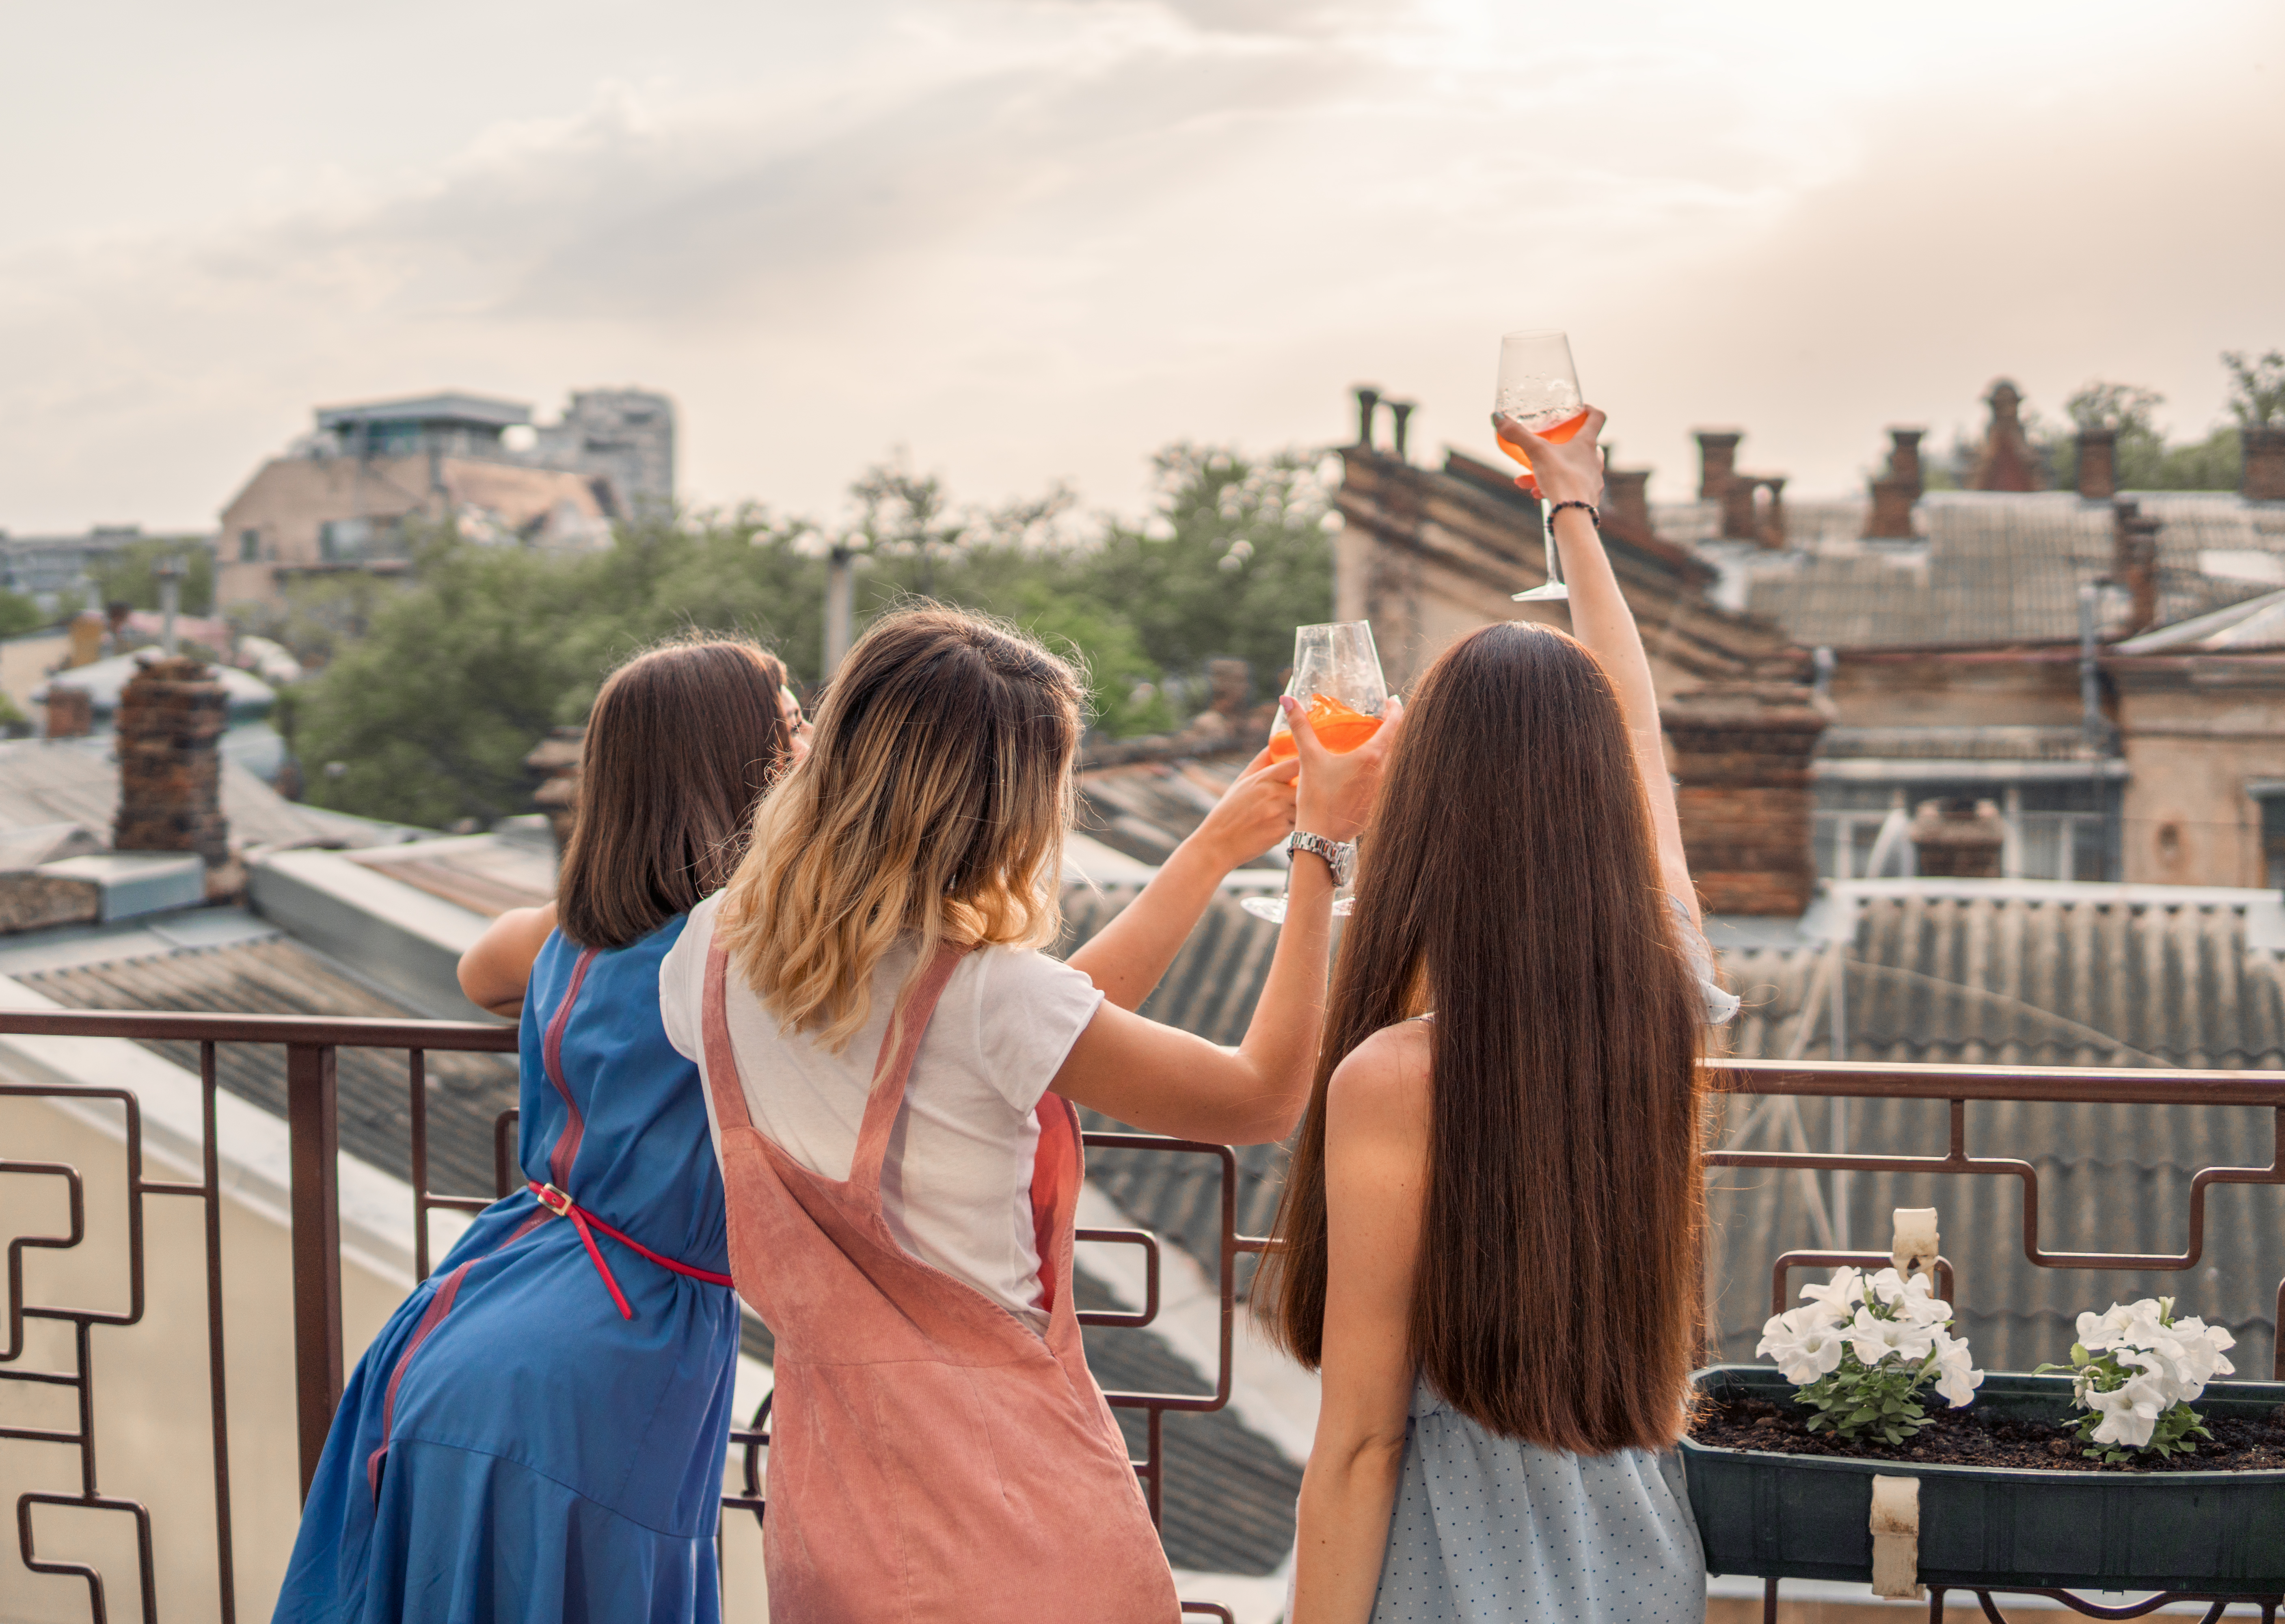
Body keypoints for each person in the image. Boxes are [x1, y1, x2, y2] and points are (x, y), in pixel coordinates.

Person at [654, 605, 1400, 1621]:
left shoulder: (708, 954)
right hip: (1021, 1518)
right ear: (1004, 808)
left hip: (836, 1517)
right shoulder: (987, 999)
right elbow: (1262, 1095)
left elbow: (1007, 1041)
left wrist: (1217, 842)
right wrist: (1322, 849)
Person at [1259, 406, 1738, 1624]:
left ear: (1427, 811)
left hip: (1456, 1571)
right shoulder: (1661, 1002)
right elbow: (1638, 736)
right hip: (1631, 1548)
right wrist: (1571, 510)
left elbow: (1363, 1445)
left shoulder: (1399, 1080)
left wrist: (1317, 834)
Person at [274, 638, 799, 1624]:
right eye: (794, 726)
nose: (816, 743)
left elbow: (480, 973)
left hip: (475, 1315)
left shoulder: (570, 933)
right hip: (601, 1359)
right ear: (750, 768)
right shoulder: (748, 945)